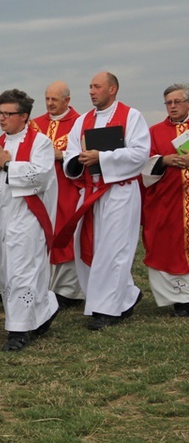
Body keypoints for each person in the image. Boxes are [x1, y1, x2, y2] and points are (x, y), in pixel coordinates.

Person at [0, 89, 59, 351]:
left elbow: (41, 176)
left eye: (8, 114)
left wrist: (8, 165)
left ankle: (18, 332)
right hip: (1, 215)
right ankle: (43, 311)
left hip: (28, 216)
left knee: (23, 270)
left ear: (24, 116)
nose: (2, 118)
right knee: (8, 271)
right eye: (0, 113)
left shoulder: (40, 143)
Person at [60, 72, 149, 330]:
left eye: (96, 87)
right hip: (89, 190)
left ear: (112, 89)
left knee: (114, 249)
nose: (91, 91)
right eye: (89, 87)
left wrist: (103, 158)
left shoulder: (131, 116)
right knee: (89, 246)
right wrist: (77, 161)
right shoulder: (83, 121)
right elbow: (71, 150)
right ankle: (125, 296)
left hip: (119, 191)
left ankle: (107, 310)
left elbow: (140, 154)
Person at [29, 81, 84, 307]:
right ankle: (45, 285)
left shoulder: (80, 123)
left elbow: (84, 155)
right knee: (43, 232)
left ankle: (69, 290)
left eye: (55, 99)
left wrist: (61, 155)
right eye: (47, 99)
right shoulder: (35, 124)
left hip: (67, 187)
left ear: (67, 101)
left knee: (65, 233)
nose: (50, 104)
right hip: (41, 190)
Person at [141, 83, 189, 317]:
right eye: (168, 103)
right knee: (168, 247)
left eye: (177, 102)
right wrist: (165, 160)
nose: (172, 106)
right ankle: (180, 299)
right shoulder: (155, 131)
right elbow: (144, 163)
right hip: (167, 202)